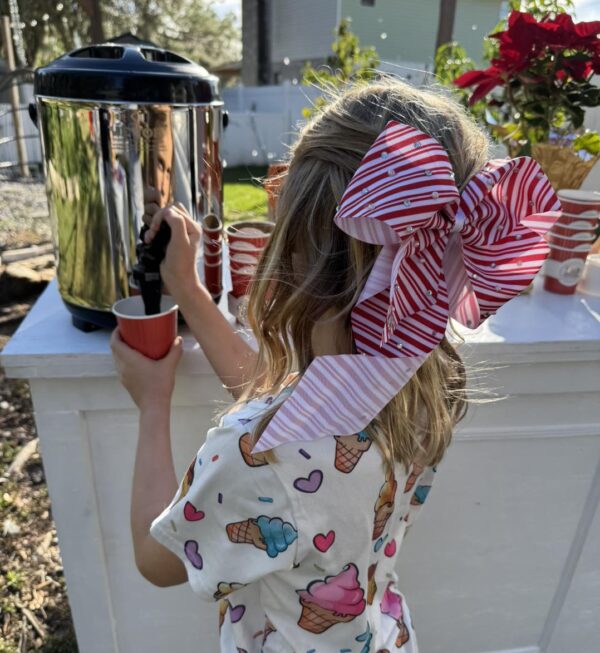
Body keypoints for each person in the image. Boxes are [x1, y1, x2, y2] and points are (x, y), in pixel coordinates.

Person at [110, 79, 559, 652]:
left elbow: (158, 560)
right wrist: (191, 294)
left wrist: (152, 403)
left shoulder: (252, 456)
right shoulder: (428, 386)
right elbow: (300, 411)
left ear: (290, 244)